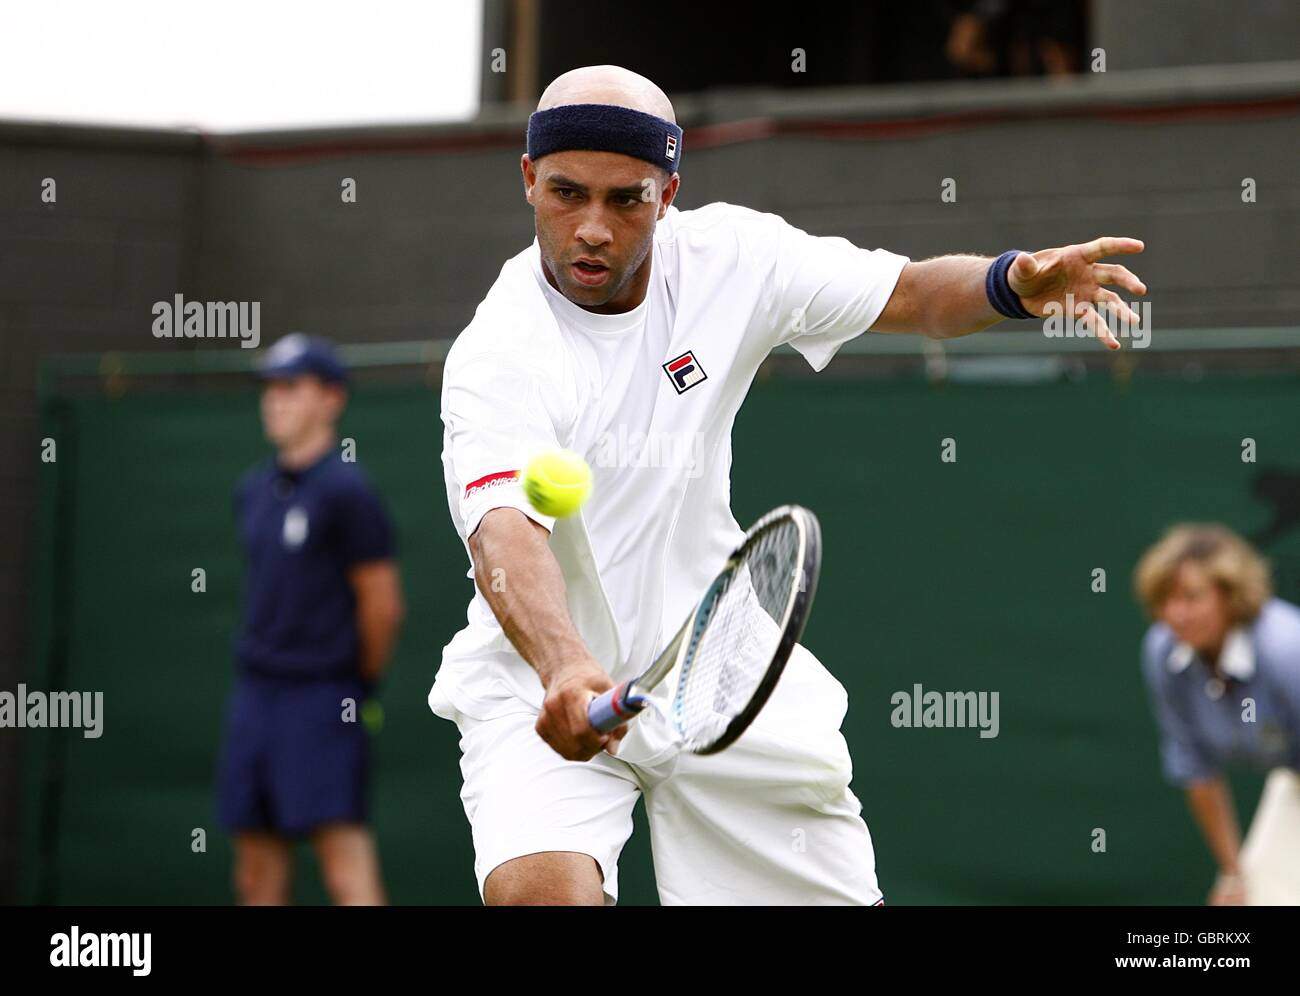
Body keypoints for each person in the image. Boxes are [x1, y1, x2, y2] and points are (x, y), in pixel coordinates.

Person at [430, 64, 1146, 905]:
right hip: (539, 683)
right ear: (527, 181)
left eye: (625, 199)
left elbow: (912, 295)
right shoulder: (498, 353)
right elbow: (504, 534)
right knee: (537, 896)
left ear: (666, 196)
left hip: (717, 662)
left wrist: (1010, 285)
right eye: (566, 193)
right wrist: (564, 667)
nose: (591, 227)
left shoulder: (734, 257)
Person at [219, 332, 404, 905]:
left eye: (291, 387)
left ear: (331, 399)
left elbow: (383, 605)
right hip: (255, 695)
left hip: (324, 695)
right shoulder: (252, 491)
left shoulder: (349, 491)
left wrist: (356, 684)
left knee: (343, 871)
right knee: (254, 872)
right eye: (270, 388)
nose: (275, 400)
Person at [1136, 523, 1300, 905]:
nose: (1177, 614)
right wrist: (1233, 873)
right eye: (1165, 600)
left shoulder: (1287, 649)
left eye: (1192, 598)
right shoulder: (1162, 653)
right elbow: (1196, 767)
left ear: (1230, 596)